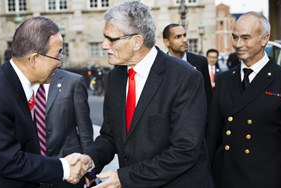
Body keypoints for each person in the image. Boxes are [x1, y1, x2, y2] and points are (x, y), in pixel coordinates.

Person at [77, 1, 214, 187]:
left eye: (111, 39)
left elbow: (184, 151)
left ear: (136, 42)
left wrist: (124, 178)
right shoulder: (116, 77)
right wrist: (90, 161)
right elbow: (110, 136)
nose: (103, 45)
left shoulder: (185, 77)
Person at [0, 17, 89, 188]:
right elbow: (9, 161)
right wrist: (64, 167)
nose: (59, 63)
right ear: (34, 59)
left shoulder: (14, 84)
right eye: (57, 54)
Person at [206, 12, 281, 188]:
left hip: (266, 178)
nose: (238, 44)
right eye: (235, 37)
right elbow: (214, 134)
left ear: (264, 39)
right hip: (226, 176)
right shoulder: (224, 79)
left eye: (246, 38)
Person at [34, 68, 94, 188]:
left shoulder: (73, 81)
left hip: (69, 169)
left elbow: (85, 129)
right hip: (32, 169)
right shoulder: (17, 82)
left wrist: (90, 170)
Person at [163, 24, 212, 114]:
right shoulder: (160, 64)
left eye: (184, 35)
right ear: (167, 42)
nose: (185, 40)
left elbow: (208, 97)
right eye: (178, 37)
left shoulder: (200, 62)